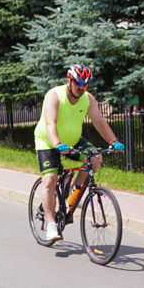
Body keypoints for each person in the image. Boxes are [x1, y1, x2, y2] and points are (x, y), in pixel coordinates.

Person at [33, 63, 125, 242]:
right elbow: (50, 123)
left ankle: (72, 195)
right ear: (69, 81)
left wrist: (113, 141)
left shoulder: (87, 99)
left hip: (73, 141)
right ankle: (51, 223)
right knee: (50, 180)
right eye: (78, 84)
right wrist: (57, 143)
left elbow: (99, 121)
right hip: (48, 141)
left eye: (85, 84)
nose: (81, 88)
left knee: (96, 158)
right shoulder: (54, 95)